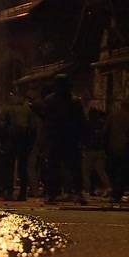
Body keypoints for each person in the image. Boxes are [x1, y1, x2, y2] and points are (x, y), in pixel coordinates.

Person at [40, 74, 87, 205]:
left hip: (59, 138)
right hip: (67, 138)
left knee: (56, 167)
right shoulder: (74, 101)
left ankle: (53, 194)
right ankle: (74, 193)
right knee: (70, 167)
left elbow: (46, 121)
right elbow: (82, 122)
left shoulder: (50, 101)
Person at [1, 91, 37, 201]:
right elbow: (33, 128)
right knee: (23, 167)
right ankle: (22, 192)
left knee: (9, 167)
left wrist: (2, 140)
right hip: (24, 140)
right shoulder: (28, 110)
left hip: (11, 139)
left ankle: (9, 191)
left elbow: (3, 125)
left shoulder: (8, 109)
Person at [82, 104, 111, 196]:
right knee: (101, 171)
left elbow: (85, 136)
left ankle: (87, 189)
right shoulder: (102, 123)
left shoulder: (87, 124)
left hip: (90, 150)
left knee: (86, 171)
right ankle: (108, 187)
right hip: (100, 150)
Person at [106, 98, 129, 203]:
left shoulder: (113, 115)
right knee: (122, 172)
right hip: (125, 148)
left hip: (113, 148)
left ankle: (115, 193)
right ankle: (117, 193)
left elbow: (106, 131)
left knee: (114, 171)